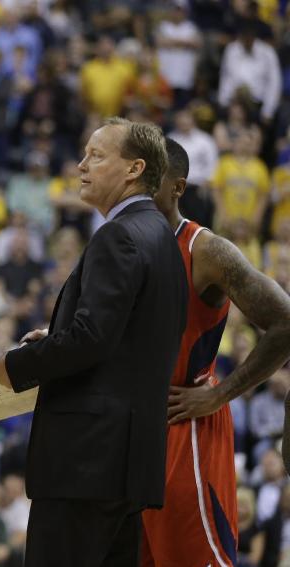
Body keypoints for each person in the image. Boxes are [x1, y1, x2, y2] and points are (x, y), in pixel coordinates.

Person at [0, 118, 189, 566]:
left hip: (86, 463)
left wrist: (19, 364)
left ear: (135, 168)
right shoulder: (162, 236)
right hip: (129, 463)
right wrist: (58, 337)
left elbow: (90, 339)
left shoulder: (118, 235)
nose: (81, 165)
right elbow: (129, 338)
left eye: (96, 156)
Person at [151, 140, 290, 566]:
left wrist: (221, 394)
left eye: (144, 180)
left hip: (184, 423)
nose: (130, 188)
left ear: (176, 187)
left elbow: (285, 321)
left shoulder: (204, 249)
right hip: (134, 430)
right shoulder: (119, 247)